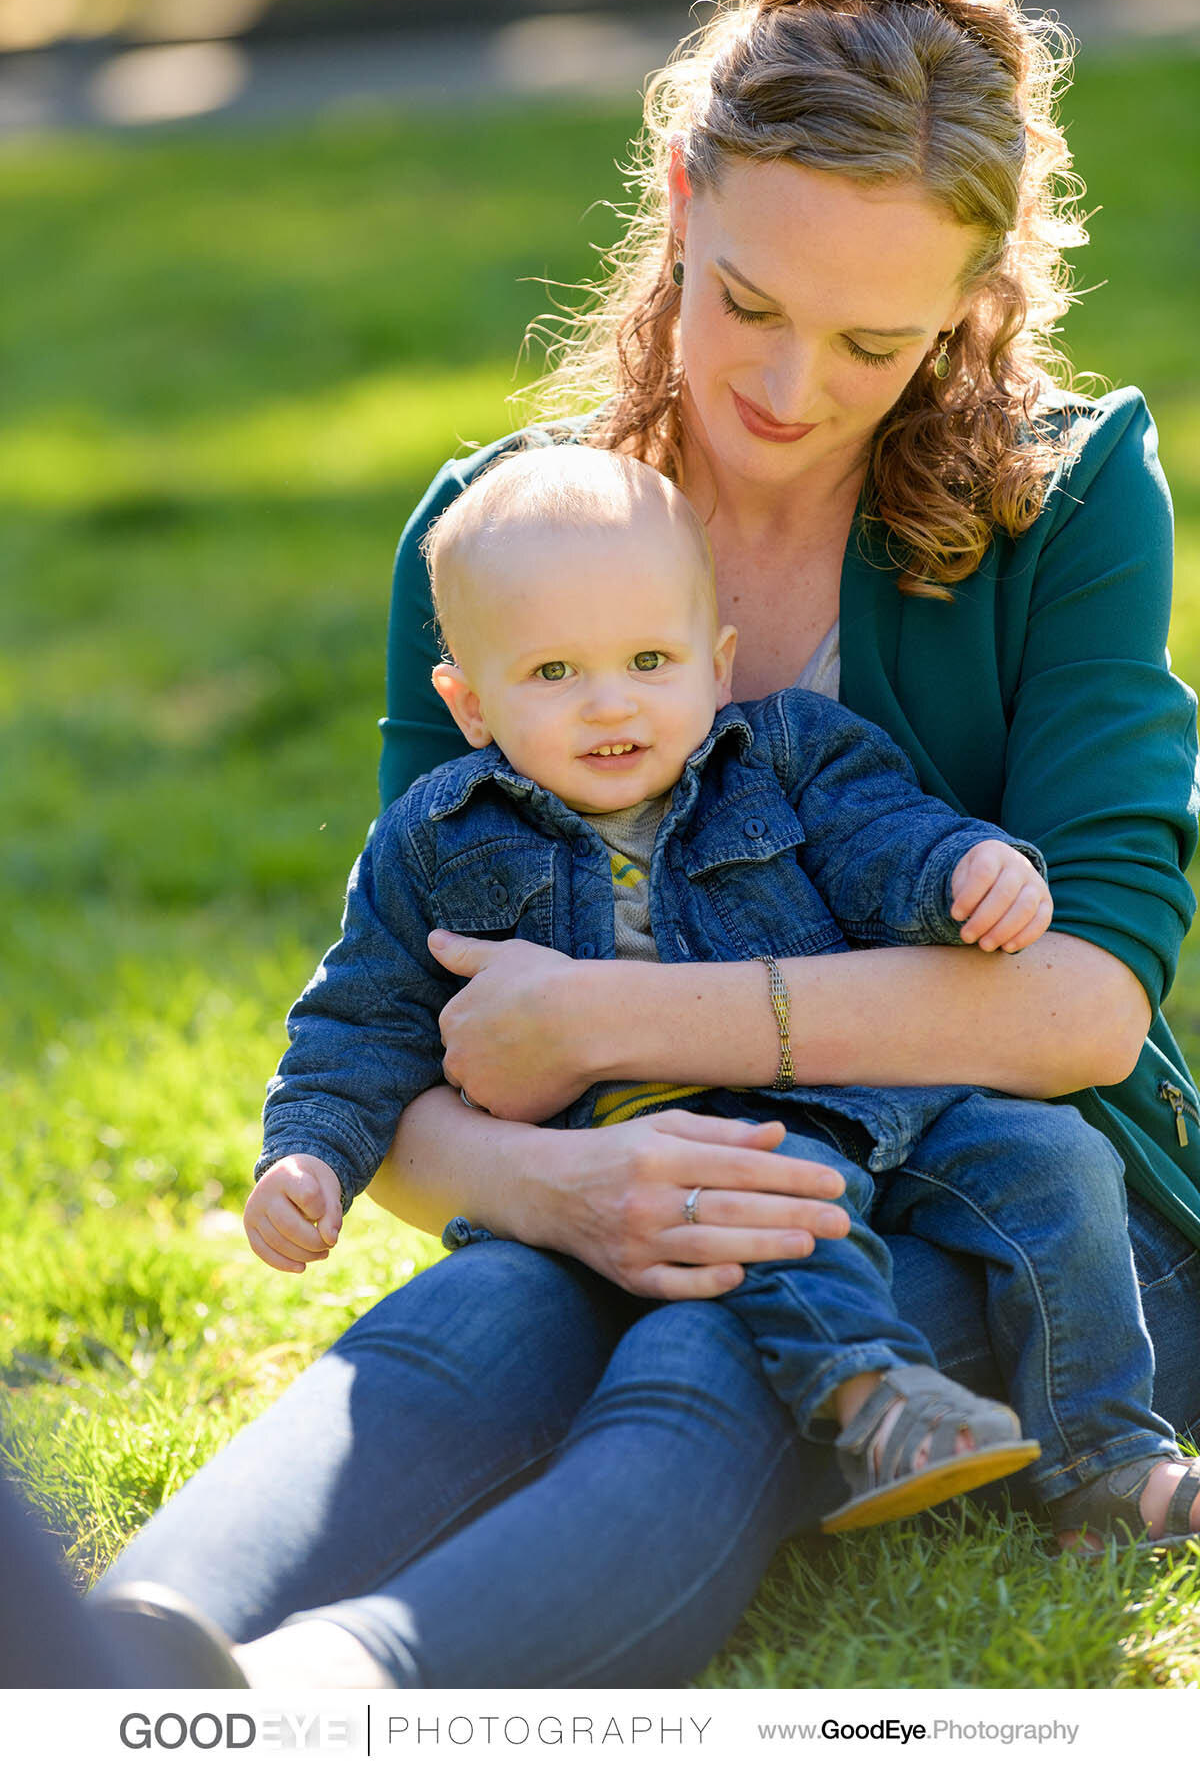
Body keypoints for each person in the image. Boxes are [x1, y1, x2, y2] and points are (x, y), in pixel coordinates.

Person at [95, 0, 1200, 1689]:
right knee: (488, 1301)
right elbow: (429, 1032)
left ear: (971, 308)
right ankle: (107, 1657)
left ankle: (337, 1698)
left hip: (1009, 1194)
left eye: (875, 342)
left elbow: (1083, 1004)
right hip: (633, 1142)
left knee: (710, 1347)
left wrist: (611, 1021)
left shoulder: (1067, 502)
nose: (788, 389)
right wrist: (569, 1187)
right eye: (750, 301)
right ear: (683, 202)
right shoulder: (506, 543)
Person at [247, 441, 1189, 1546]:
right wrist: (307, 1149)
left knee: (1055, 1158)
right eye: (553, 675)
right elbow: (363, 1018)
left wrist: (965, 875)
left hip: (886, 1091)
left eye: (651, 659)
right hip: (687, 1134)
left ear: (717, 658)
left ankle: (1110, 1459)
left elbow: (887, 844)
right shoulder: (439, 839)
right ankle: (876, 1401)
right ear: (467, 702)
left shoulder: (787, 753)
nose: (612, 707)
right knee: (774, 1203)